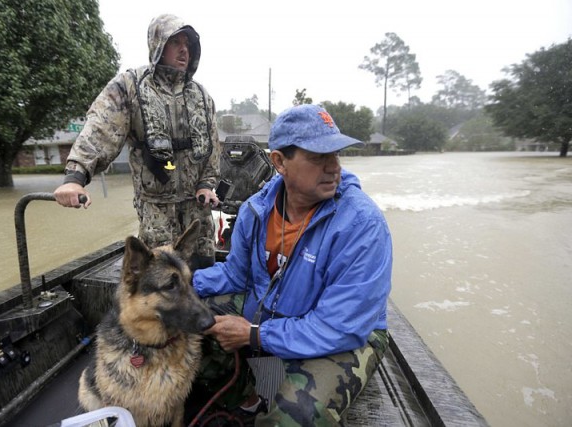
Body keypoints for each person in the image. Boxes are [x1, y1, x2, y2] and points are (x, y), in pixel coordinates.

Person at [192, 104, 393, 426]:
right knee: (187, 329)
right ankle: (246, 400)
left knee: (296, 415)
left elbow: (340, 327)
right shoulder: (255, 212)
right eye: (318, 157)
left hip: (348, 332)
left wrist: (254, 335)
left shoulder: (362, 225)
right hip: (274, 309)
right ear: (279, 162)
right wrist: (182, 284)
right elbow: (235, 274)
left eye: (336, 155)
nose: (333, 168)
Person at [54, 14, 220, 268]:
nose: (184, 49)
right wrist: (75, 179)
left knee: (203, 274)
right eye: (175, 41)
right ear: (158, 45)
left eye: (187, 43)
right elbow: (100, 129)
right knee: (160, 281)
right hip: (157, 212)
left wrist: (207, 185)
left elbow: (212, 148)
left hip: (197, 212)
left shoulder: (202, 95)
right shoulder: (131, 86)